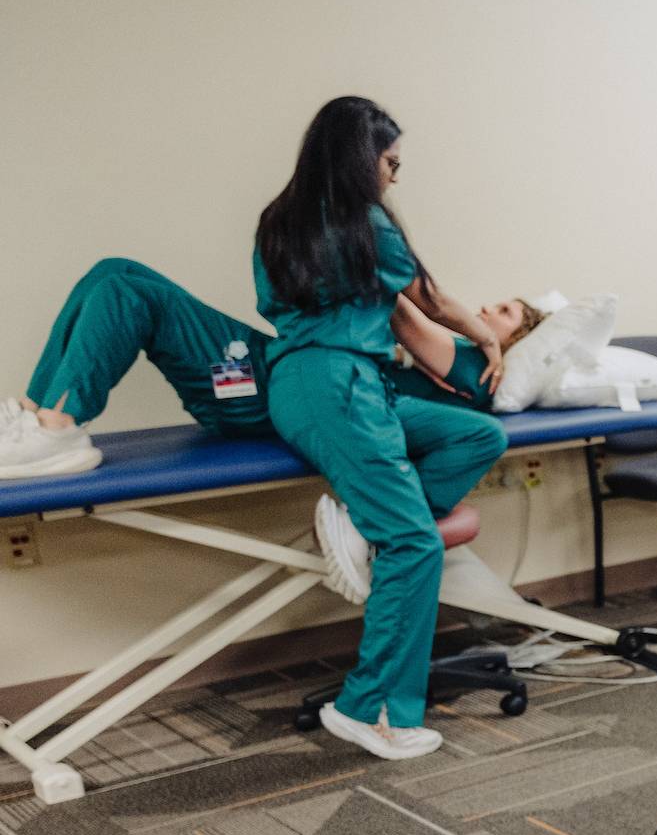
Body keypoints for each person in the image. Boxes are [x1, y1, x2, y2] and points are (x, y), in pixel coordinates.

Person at [252, 95, 510, 762]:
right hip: (338, 385)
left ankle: (365, 523)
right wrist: (489, 338)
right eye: (391, 162)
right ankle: (367, 708)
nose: (395, 175)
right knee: (416, 545)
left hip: (320, 382)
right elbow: (428, 300)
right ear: (361, 159)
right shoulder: (364, 221)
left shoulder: (278, 221)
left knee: (479, 436)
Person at [0, 257, 541, 481]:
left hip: (277, 393)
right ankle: (36, 415)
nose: (490, 310)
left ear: (516, 340)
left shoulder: (480, 371)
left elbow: (405, 310)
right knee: (114, 272)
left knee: (124, 290)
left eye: (507, 313)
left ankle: (59, 428)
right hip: (277, 368)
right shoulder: (460, 353)